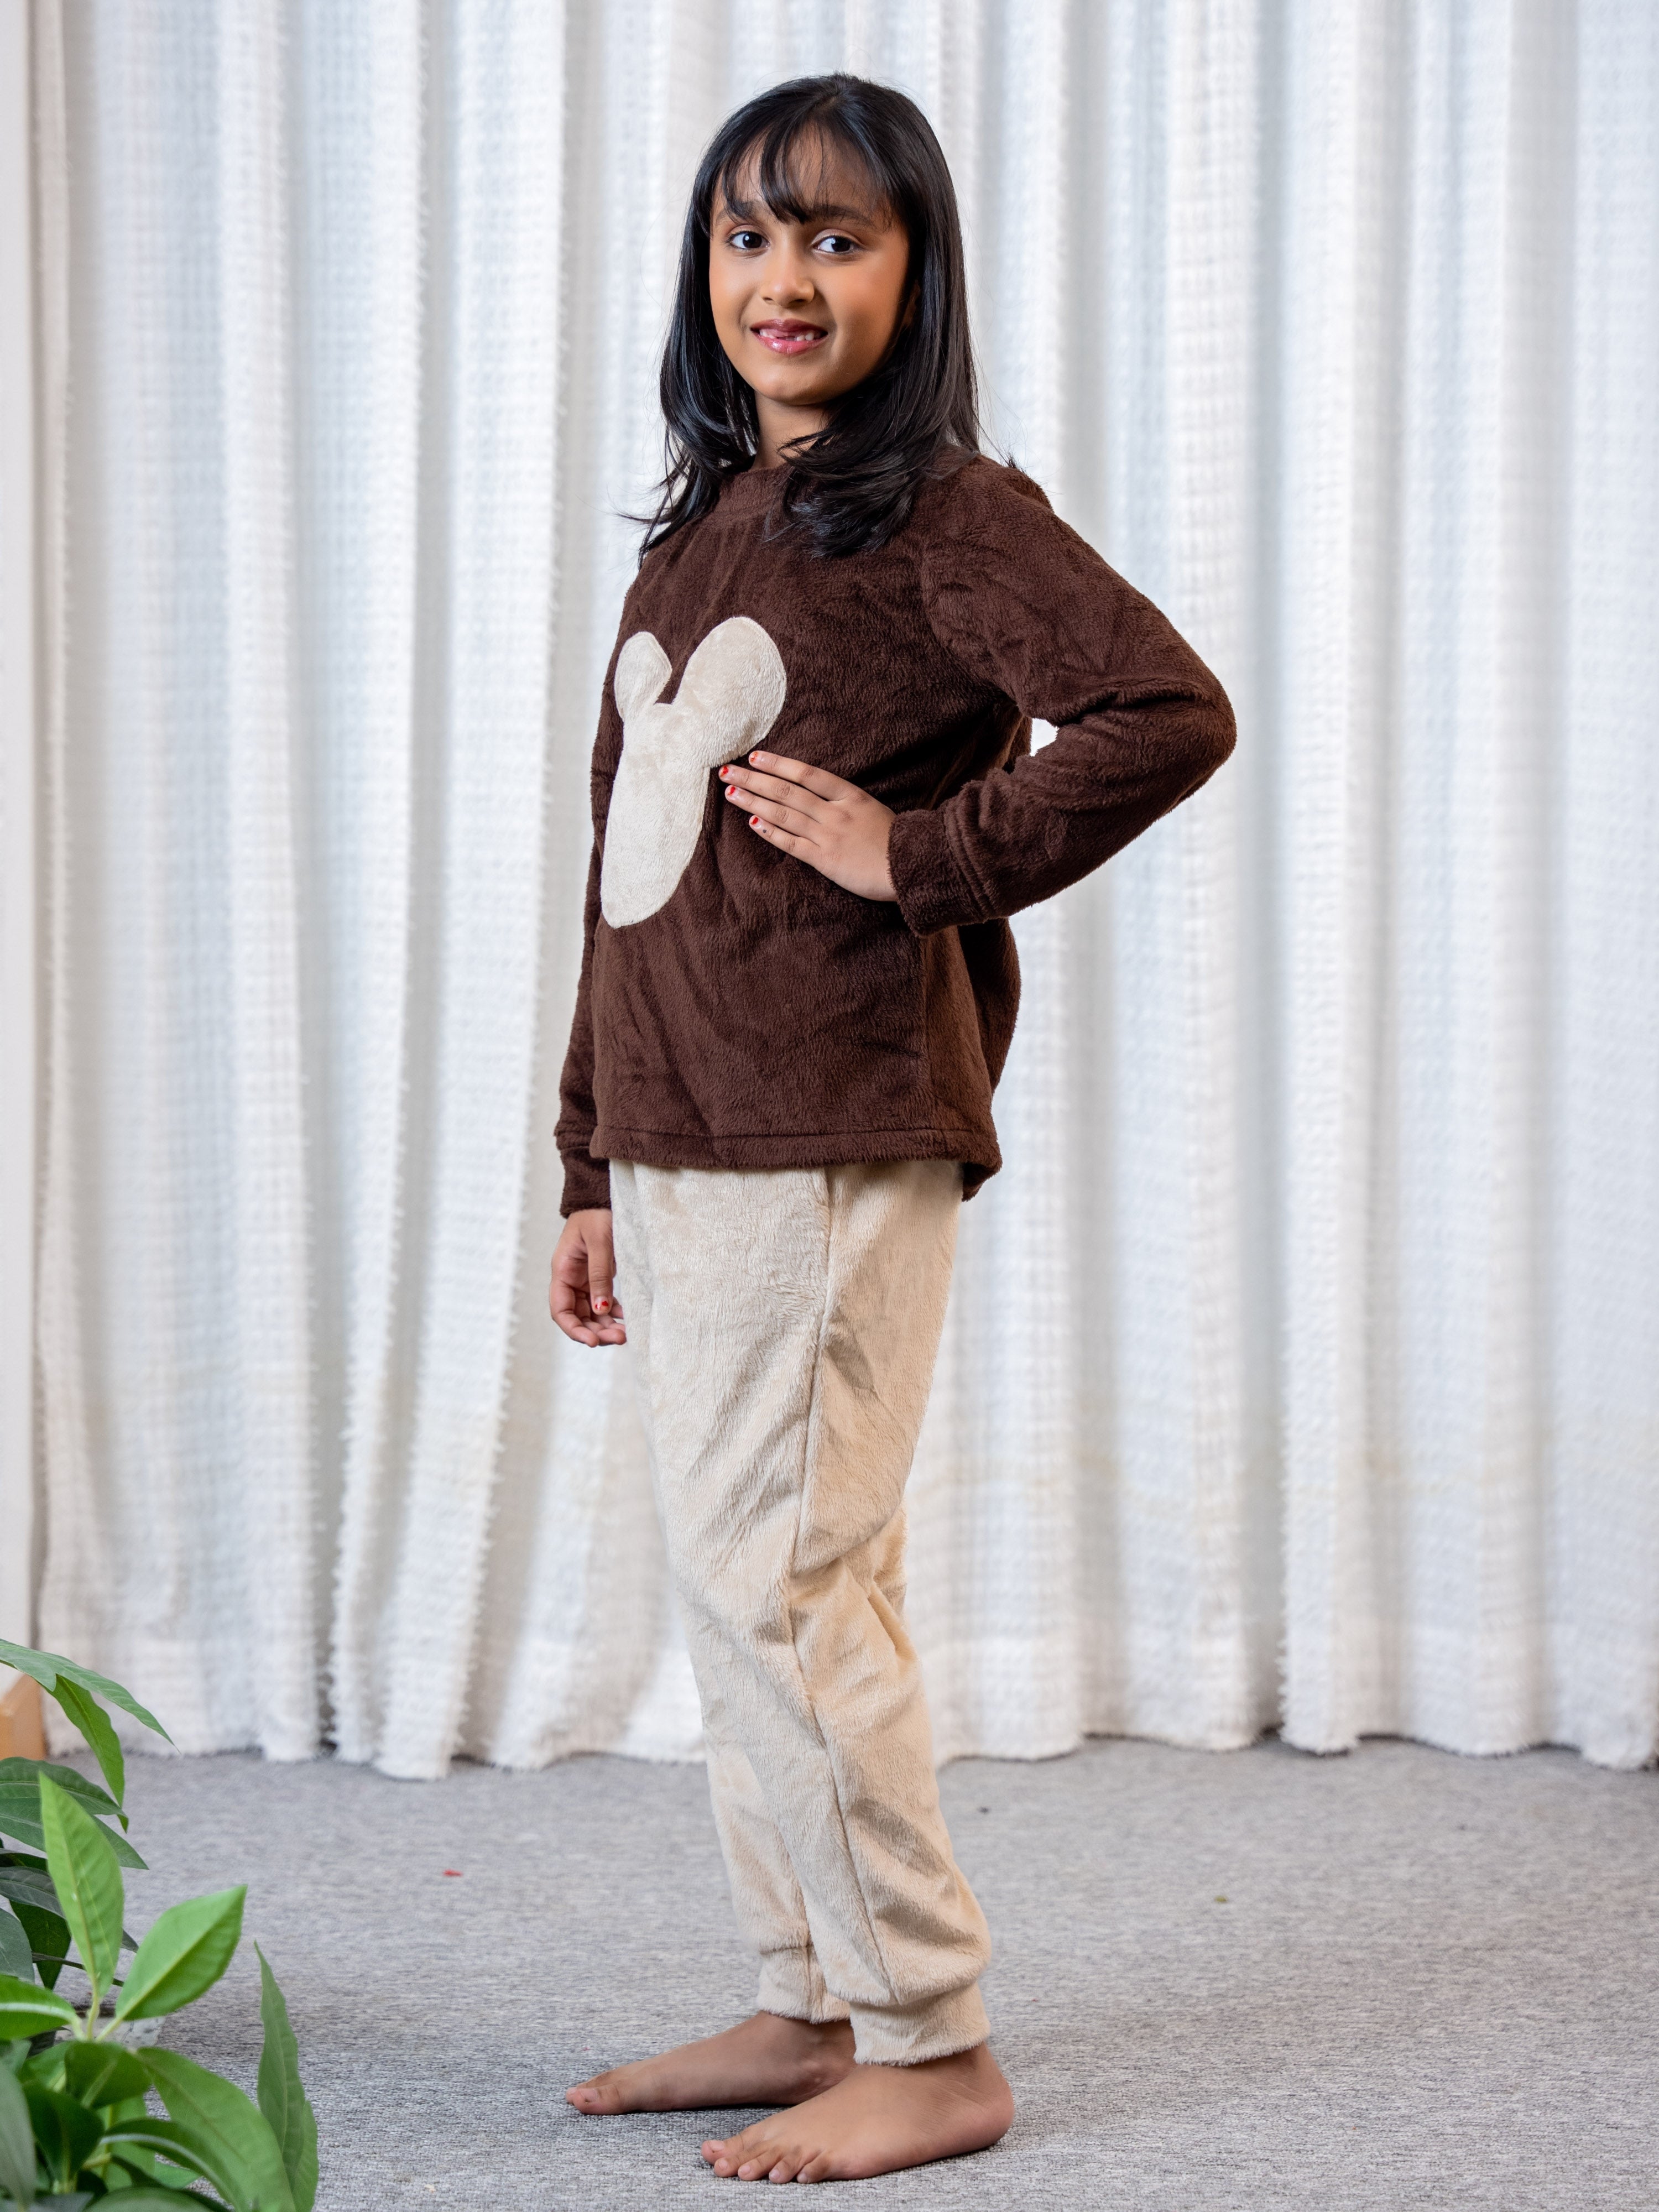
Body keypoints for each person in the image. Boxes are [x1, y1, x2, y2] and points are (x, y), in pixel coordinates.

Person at [550, 72, 1235, 2185]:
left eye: (838, 237)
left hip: (831, 1120)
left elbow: (1167, 712)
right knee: (738, 1582)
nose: (785, 276)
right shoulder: (698, 535)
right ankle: (813, 1995)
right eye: (749, 235)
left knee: (791, 1581)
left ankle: (933, 2042)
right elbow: (625, 876)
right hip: (681, 1130)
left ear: (914, 272)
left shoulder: (942, 508)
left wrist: (922, 854)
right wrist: (586, 1158)